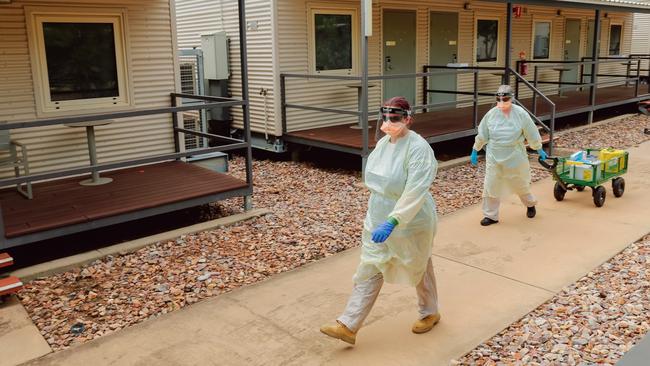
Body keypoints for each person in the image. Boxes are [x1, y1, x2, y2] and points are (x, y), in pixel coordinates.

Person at [320, 96, 440, 345]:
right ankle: (349, 324)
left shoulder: (418, 148)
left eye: (394, 118)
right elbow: (376, 182)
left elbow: (415, 190)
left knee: (417, 265)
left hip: (411, 219)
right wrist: (375, 219)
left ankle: (430, 313)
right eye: (385, 117)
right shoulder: (385, 143)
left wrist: (394, 220)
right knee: (371, 265)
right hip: (378, 215)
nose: (388, 122)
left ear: (408, 119)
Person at [470, 85, 547, 226]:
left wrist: (538, 148)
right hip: (494, 155)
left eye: (505, 99)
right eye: (499, 99)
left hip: (514, 155)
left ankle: (530, 205)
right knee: (491, 185)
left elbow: (531, 133)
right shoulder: (491, 114)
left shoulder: (521, 114)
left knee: (519, 183)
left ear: (511, 98)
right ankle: (491, 216)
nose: (502, 102)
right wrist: (476, 149)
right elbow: (483, 134)